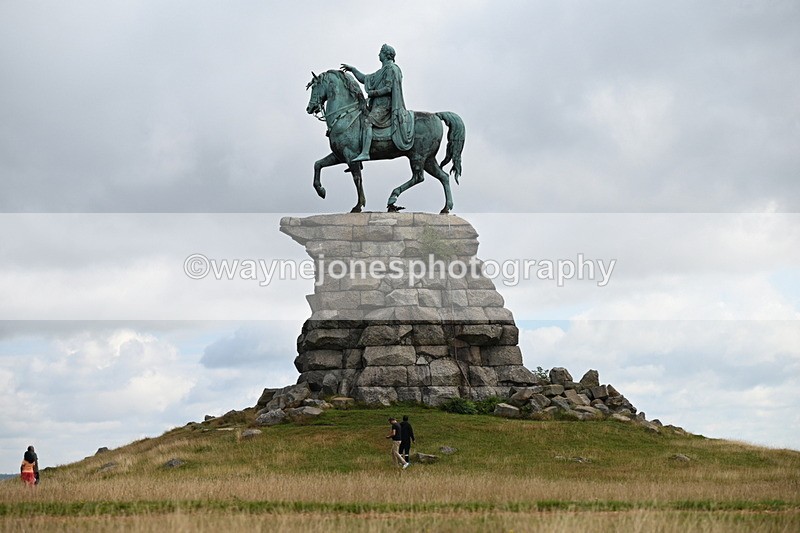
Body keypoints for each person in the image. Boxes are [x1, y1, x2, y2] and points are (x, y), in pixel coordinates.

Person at [341, 43, 415, 162]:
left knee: (367, 122)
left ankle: (365, 153)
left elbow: (388, 88)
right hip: (376, 104)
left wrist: (373, 93)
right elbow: (365, 79)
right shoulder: (382, 70)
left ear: (385, 55)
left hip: (385, 106)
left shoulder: (392, 69)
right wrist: (353, 70)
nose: (378, 54)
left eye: (380, 52)